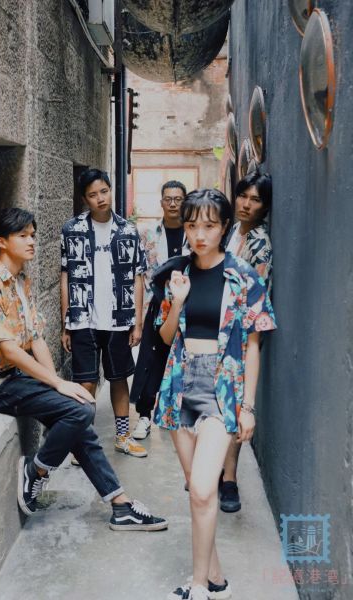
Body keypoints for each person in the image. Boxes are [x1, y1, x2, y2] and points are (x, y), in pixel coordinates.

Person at [0, 207, 167, 532]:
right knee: (81, 410)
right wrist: (58, 384)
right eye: (23, 236)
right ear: (2, 241)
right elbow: (9, 349)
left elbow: (36, 338)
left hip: (16, 377)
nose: (32, 241)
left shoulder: (21, 280)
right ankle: (36, 471)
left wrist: (58, 384)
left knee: (79, 410)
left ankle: (120, 504)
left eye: (33, 235)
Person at [153, 189, 276, 600]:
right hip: (180, 384)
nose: (199, 235)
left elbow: (253, 346)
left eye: (208, 225)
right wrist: (178, 301)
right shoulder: (178, 273)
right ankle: (218, 579)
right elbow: (165, 337)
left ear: (225, 227)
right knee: (197, 490)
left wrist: (248, 407)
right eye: (192, 226)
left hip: (222, 388)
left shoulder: (244, 277)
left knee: (206, 489)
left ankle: (199, 586)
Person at [61, 168, 148, 458]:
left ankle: (123, 437)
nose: (100, 198)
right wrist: (66, 323)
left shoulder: (128, 231)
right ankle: (81, 443)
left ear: (110, 191)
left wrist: (137, 322)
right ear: (84, 199)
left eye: (104, 191)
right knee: (85, 382)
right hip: (83, 319)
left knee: (119, 379)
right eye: (92, 194)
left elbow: (138, 277)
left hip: (118, 319)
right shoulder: (72, 229)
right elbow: (66, 275)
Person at [220, 170, 273, 513]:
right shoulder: (229, 230)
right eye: (243, 196)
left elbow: (257, 298)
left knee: (235, 407)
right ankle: (215, 468)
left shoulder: (260, 244)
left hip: (240, 335)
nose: (246, 204)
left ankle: (230, 479)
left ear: (264, 207)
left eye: (255, 200)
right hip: (214, 330)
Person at [131, 180, 190, 440]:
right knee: (149, 362)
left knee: (181, 360)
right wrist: (138, 321)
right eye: (169, 199)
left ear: (185, 201)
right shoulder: (147, 234)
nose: (173, 203)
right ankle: (144, 416)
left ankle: (178, 416)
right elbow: (139, 276)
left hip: (185, 308)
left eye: (178, 199)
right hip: (156, 307)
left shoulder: (192, 233)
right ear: (161, 202)